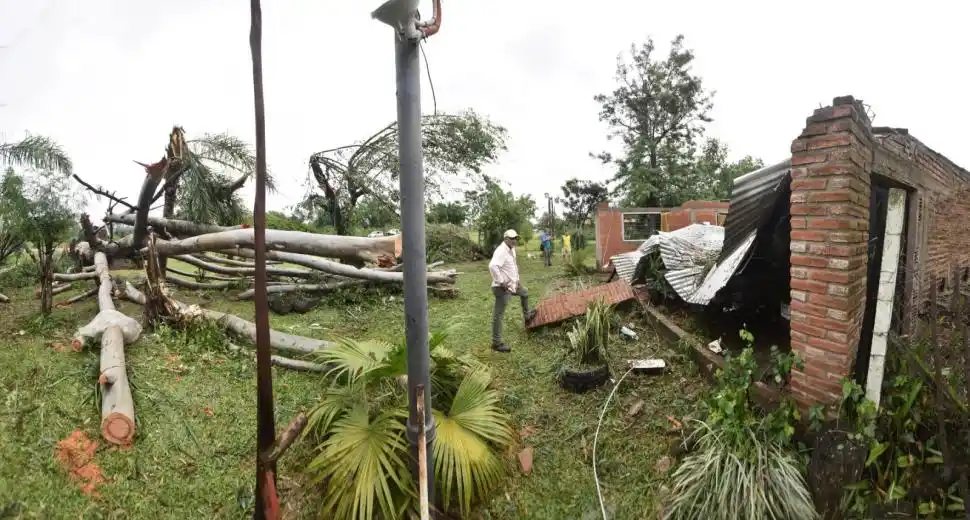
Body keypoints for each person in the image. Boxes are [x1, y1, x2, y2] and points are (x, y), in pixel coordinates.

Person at [489, 229, 537, 352]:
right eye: (511, 238)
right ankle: (497, 343)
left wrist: (517, 280)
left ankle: (527, 316)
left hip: (512, 284)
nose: (514, 240)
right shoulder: (501, 251)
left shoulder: (512, 249)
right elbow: (493, 266)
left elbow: (513, 266)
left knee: (524, 292)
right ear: (505, 239)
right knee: (498, 315)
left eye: (515, 238)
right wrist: (501, 282)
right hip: (502, 288)